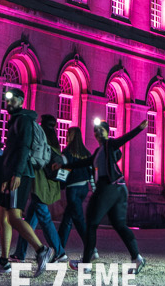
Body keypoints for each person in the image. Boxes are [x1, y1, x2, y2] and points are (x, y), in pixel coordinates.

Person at [0, 91, 52, 274]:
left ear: (20, 101)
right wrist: (5, 176)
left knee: (13, 216)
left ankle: (42, 250)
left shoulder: (24, 120)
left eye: (12, 99)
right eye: (7, 99)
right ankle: (4, 261)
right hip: (11, 173)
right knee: (3, 215)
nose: (8, 102)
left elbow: (24, 147)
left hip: (21, 174)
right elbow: (11, 152)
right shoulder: (15, 121)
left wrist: (17, 174)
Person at [81, 117, 147, 269]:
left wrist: (139, 128)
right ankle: (137, 258)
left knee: (91, 222)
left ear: (107, 132)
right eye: (96, 131)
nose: (98, 133)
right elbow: (86, 162)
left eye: (101, 130)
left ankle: (85, 263)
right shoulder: (99, 151)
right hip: (118, 188)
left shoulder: (110, 144)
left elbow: (123, 139)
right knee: (119, 224)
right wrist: (64, 166)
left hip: (109, 186)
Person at [16, 114, 63, 261]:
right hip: (48, 185)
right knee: (29, 221)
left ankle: (60, 252)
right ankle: (20, 253)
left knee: (45, 219)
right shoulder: (55, 142)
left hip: (40, 185)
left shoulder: (41, 139)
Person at [53, 126, 94, 258]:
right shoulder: (86, 153)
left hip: (73, 190)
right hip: (84, 188)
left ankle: (91, 249)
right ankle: (59, 249)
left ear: (72, 137)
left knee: (79, 220)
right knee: (67, 219)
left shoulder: (67, 153)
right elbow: (91, 172)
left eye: (68, 134)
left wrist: (58, 186)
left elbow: (63, 172)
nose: (66, 136)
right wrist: (94, 188)